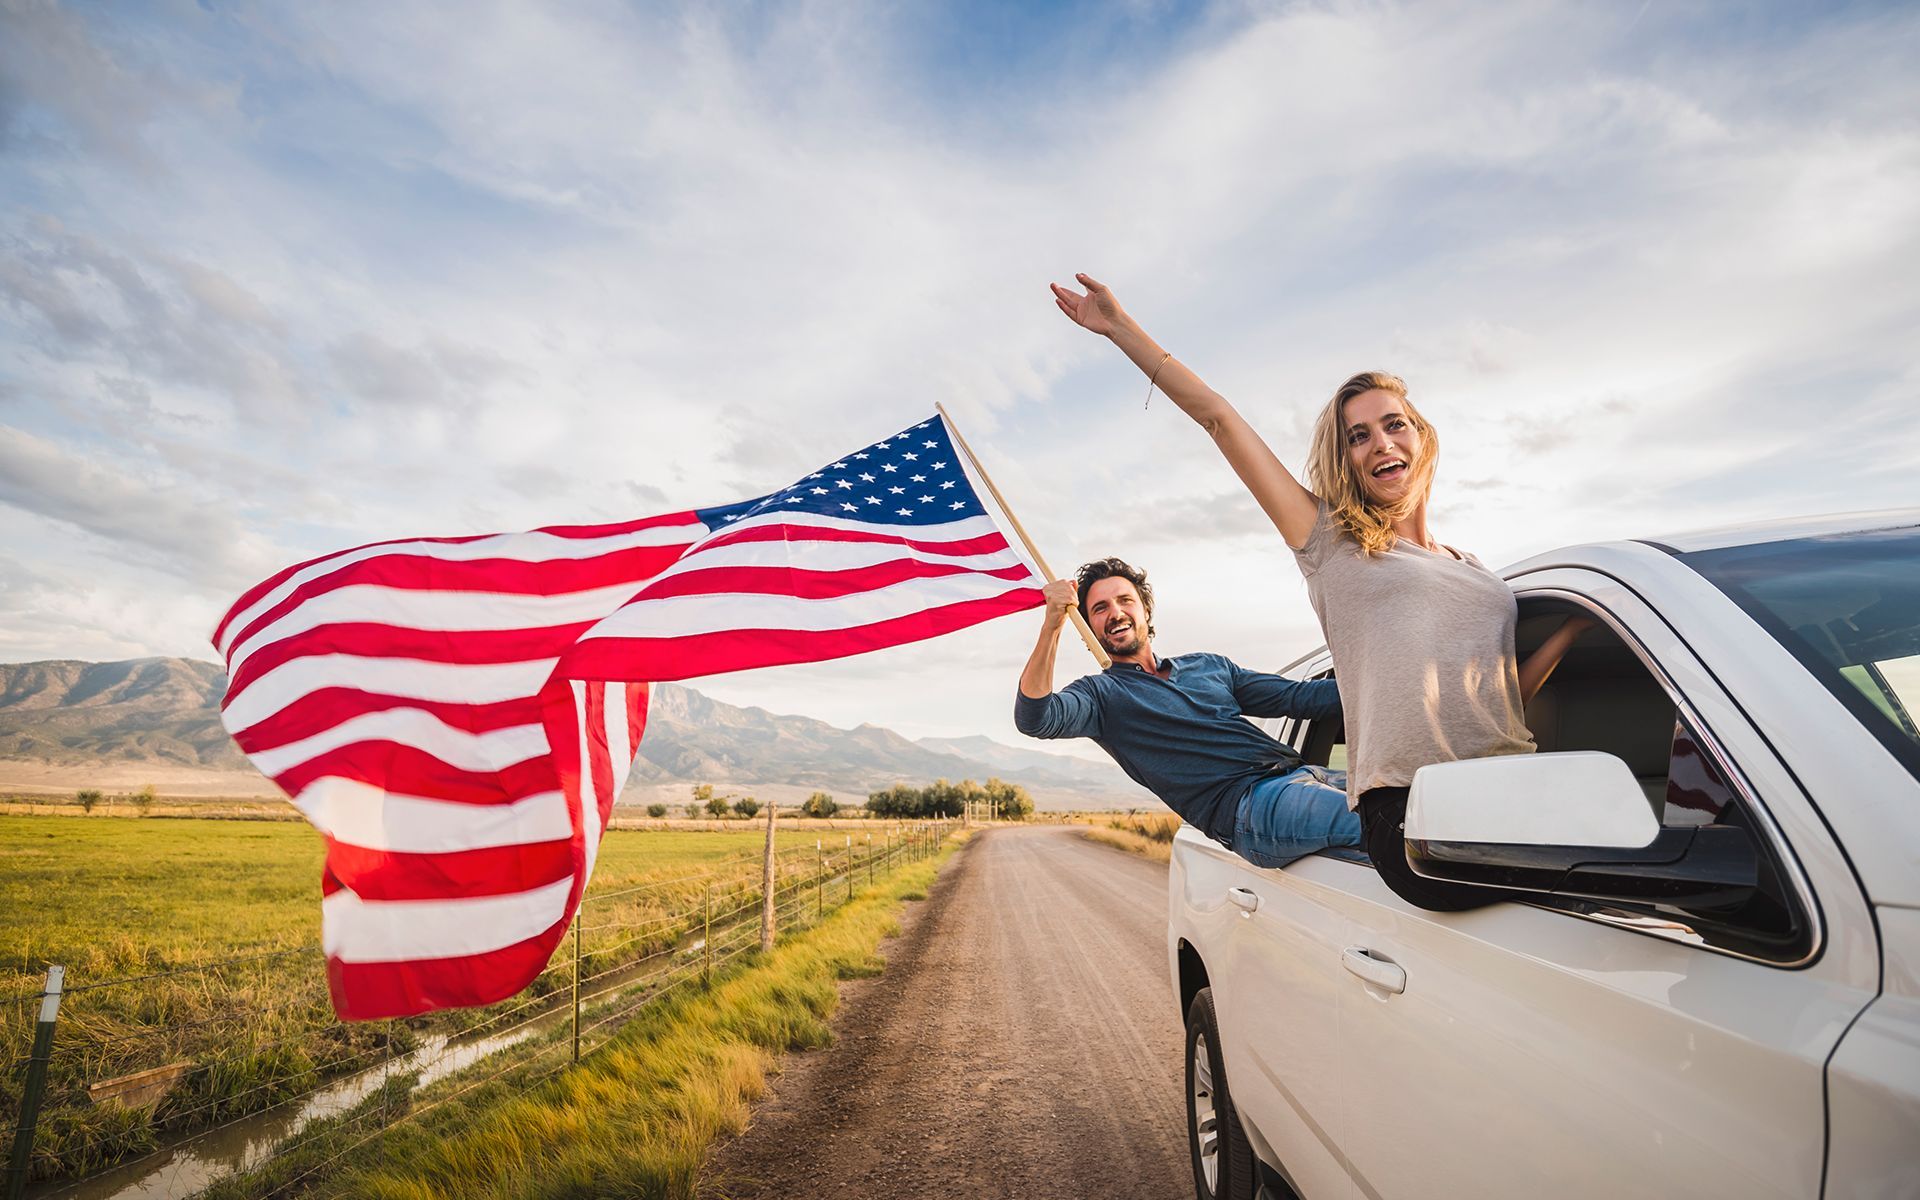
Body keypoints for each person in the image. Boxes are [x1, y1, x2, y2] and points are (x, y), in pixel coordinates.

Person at [1050, 273, 1591, 910]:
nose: (1381, 443)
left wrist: (1576, 629)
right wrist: (1121, 331)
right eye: (1358, 436)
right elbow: (1220, 421)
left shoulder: (1476, 571)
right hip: (1416, 814)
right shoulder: (1336, 547)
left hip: (1506, 785)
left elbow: (1492, 701)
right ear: (1346, 459)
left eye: (1394, 425)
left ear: (1422, 437)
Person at [1015, 556, 1361, 870]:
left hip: (1309, 775)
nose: (1115, 613)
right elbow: (1035, 717)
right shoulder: (1100, 696)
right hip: (1252, 808)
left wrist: (1393, 678)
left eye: (1125, 600)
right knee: (1390, 823)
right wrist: (1053, 625)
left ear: (1145, 611)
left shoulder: (1208, 666)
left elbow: (1300, 697)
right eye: (1100, 609)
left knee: (1406, 799)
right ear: (1088, 627)